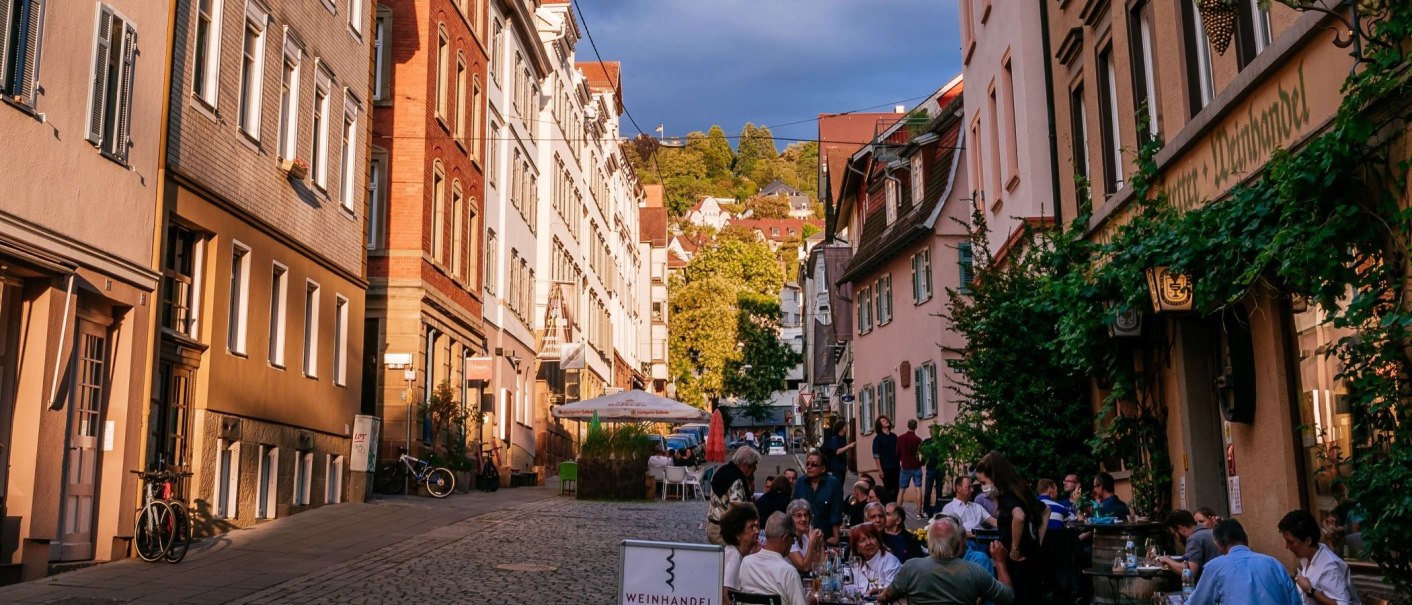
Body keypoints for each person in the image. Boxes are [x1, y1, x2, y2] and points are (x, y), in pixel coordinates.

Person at [879, 515, 1015, 605]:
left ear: (929, 543)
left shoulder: (911, 567)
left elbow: (885, 597)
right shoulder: (974, 571)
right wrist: (1000, 562)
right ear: (958, 543)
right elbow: (1008, 596)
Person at [976, 451, 1046, 605]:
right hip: (1032, 562)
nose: (983, 487)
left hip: (1018, 567)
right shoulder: (1021, 492)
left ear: (995, 477)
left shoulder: (1007, 497)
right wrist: (1038, 540)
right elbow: (1045, 510)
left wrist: (1014, 549)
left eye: (983, 482)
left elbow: (1019, 516)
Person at [1188, 519, 1302, 605]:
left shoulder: (1214, 567)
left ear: (1219, 545)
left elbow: (1197, 602)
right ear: (1245, 538)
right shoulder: (1274, 564)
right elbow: (1295, 601)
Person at [1280, 509, 1359, 605]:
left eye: (1291, 542)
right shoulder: (1307, 558)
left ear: (1308, 541)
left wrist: (1310, 591)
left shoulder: (1329, 566)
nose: (1287, 546)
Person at [738, 512, 808, 605]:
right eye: (793, 539)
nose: (792, 543)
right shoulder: (788, 572)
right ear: (785, 538)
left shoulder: (746, 563)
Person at [708, 446, 760, 545]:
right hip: (725, 531)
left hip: (713, 526)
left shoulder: (723, 471)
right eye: (754, 465)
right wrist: (754, 509)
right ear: (746, 464)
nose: (755, 469)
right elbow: (738, 506)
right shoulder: (736, 480)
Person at [792, 450, 843, 546]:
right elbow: (793, 509)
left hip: (825, 536)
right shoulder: (800, 482)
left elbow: (836, 511)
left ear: (822, 468)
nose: (809, 467)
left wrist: (836, 537)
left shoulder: (833, 483)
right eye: (807, 464)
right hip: (802, 537)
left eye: (814, 464)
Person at [1159, 509, 1222, 579]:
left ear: (1181, 529)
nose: (1176, 538)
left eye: (1174, 534)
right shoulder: (1212, 532)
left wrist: (1167, 560)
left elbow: (1190, 571)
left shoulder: (1194, 538)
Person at [847, 521, 902, 597]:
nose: (868, 543)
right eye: (863, 540)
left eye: (871, 537)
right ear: (857, 549)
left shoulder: (890, 562)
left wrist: (877, 591)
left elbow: (891, 593)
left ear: (878, 541)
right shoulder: (857, 564)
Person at [721, 503, 761, 596]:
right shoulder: (733, 557)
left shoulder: (740, 554)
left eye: (757, 526)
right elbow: (725, 594)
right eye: (751, 527)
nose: (757, 531)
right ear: (738, 534)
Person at [786, 499, 825, 573]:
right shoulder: (789, 539)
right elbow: (804, 567)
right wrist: (811, 543)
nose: (803, 519)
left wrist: (821, 545)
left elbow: (818, 568)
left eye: (806, 515)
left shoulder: (805, 538)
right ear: (791, 519)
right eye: (799, 516)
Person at [896, 419, 924, 518]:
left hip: (905, 467)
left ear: (907, 425)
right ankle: (918, 512)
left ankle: (898, 513)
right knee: (918, 488)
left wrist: (900, 460)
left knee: (901, 490)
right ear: (916, 427)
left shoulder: (900, 438)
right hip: (916, 467)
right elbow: (921, 454)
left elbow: (897, 453)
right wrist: (921, 463)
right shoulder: (918, 440)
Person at [872, 416, 901, 503]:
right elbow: (876, 455)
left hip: (896, 467)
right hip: (885, 468)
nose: (886, 421)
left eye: (886, 420)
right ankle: (887, 505)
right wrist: (880, 470)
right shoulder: (878, 439)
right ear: (880, 424)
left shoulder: (894, 436)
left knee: (897, 488)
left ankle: (894, 505)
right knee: (888, 488)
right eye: (883, 421)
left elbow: (898, 451)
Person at [920, 426, 944, 516]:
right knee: (928, 490)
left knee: (939, 490)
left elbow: (951, 448)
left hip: (940, 468)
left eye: (934, 431)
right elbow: (921, 452)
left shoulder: (942, 441)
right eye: (931, 431)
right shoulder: (926, 442)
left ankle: (938, 509)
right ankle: (926, 509)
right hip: (930, 468)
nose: (932, 432)